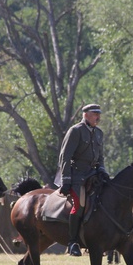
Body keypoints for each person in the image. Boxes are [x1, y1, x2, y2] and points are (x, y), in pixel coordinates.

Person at [57, 103, 110, 257]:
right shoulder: (75, 131)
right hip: (77, 177)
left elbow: (100, 157)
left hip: (94, 175)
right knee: (79, 205)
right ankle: (73, 242)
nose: (98, 117)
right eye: (95, 114)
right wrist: (66, 180)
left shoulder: (99, 133)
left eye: (99, 114)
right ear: (86, 114)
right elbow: (65, 157)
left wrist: (102, 170)